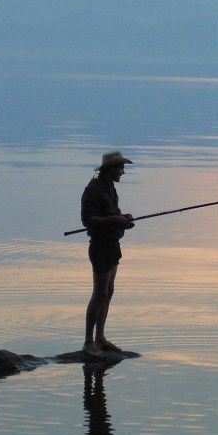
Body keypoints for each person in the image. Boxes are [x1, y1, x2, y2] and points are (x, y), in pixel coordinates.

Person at [81, 151, 135, 358]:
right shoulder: (93, 190)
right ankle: (88, 342)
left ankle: (100, 337)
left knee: (109, 291)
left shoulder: (110, 188)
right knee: (99, 294)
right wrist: (116, 220)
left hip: (113, 246)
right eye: (120, 168)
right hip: (100, 247)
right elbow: (89, 221)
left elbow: (112, 215)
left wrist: (123, 219)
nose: (122, 172)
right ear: (110, 169)